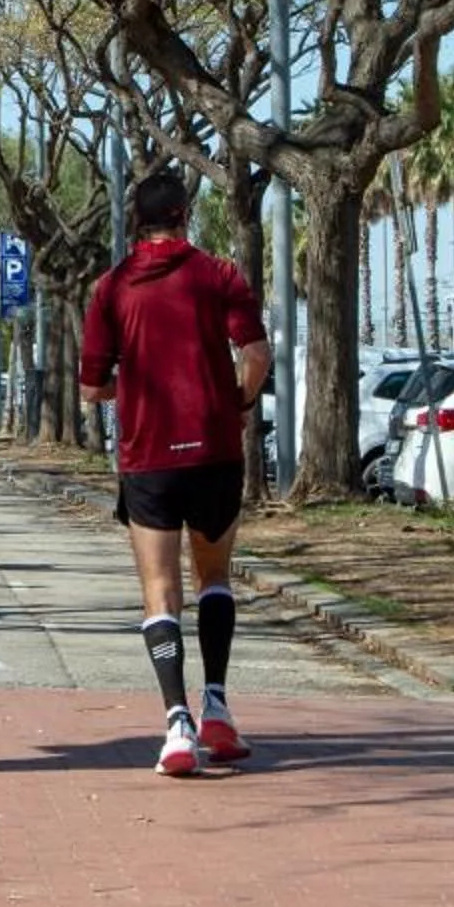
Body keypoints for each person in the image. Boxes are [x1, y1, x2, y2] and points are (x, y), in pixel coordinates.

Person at [78, 165, 271, 777]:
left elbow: (90, 386)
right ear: (185, 215)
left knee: (160, 592)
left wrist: (124, 386)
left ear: (137, 222)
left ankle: (177, 725)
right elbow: (258, 354)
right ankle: (217, 703)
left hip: (149, 457)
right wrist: (236, 401)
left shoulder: (111, 290)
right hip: (217, 450)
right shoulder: (219, 275)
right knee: (215, 577)